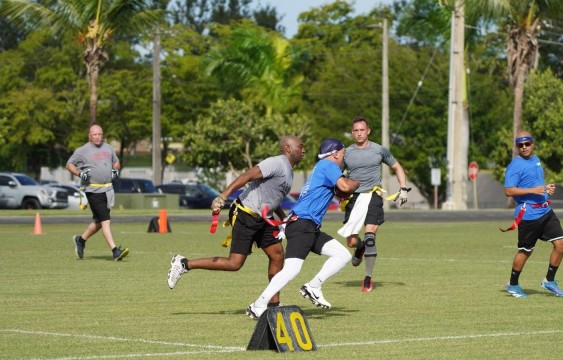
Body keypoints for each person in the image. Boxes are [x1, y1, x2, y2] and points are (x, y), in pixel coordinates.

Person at [166, 135, 305, 308]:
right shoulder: (276, 162)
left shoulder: (289, 171)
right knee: (234, 263)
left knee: (277, 255)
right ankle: (184, 263)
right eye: (300, 147)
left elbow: (273, 197)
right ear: (287, 148)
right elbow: (247, 176)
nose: (303, 150)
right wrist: (222, 197)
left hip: (263, 217)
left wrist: (284, 219)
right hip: (246, 213)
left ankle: (273, 305)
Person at [246, 138, 360, 319]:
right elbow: (345, 186)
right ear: (336, 153)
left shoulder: (324, 167)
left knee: (343, 255)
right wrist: (358, 182)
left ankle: (314, 286)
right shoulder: (329, 165)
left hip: (308, 225)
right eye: (343, 154)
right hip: (303, 223)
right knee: (292, 269)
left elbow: (339, 191)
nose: (344, 157)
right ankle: (258, 304)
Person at [338, 116, 410, 292]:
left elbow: (397, 167)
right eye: (356, 130)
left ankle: (368, 278)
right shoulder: (346, 153)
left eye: (362, 130)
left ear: (368, 131)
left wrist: (404, 188)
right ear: (352, 132)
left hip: (373, 196)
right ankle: (359, 248)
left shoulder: (379, 150)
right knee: (352, 242)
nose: (359, 133)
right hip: (353, 199)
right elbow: (336, 175)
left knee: (370, 237)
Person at [503, 131, 563, 298]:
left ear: (532, 144)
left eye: (527, 144)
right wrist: (533, 190)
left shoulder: (536, 160)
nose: (524, 147)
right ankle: (513, 284)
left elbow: (537, 183)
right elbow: (508, 190)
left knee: (561, 244)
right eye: (520, 145)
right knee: (525, 251)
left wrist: (547, 188)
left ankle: (549, 281)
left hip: (546, 211)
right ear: (517, 147)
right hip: (528, 215)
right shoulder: (514, 166)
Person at [67, 124, 128, 261]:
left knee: (99, 222)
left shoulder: (108, 148)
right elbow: (69, 165)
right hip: (93, 190)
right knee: (106, 221)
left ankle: (80, 240)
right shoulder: (82, 150)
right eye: (95, 134)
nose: (98, 137)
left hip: (108, 190)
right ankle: (115, 251)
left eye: (100, 134)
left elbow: (116, 162)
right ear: (89, 135)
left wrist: (115, 170)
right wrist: (79, 174)